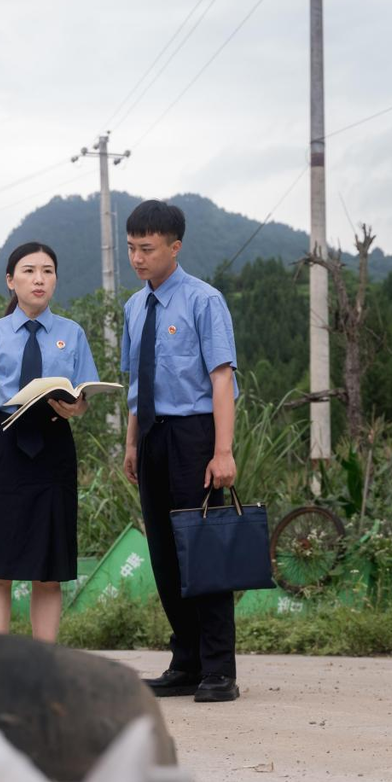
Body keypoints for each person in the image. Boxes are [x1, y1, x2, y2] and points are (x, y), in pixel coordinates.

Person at [120, 200, 241, 702]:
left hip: (195, 436)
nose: (137, 258)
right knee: (165, 555)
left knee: (203, 550)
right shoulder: (133, 308)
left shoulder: (204, 300)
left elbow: (222, 379)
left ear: (175, 247)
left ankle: (219, 670)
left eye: (146, 248)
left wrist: (223, 451)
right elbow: (136, 382)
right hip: (151, 437)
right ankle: (186, 662)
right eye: (131, 248)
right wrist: (132, 442)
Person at [0, 241, 99, 642]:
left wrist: (76, 407)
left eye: (47, 271)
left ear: (55, 279)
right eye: (29, 271)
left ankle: (43, 662)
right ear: (11, 281)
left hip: (54, 446)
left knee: (49, 567)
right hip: (3, 448)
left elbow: (83, 398)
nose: (39, 279)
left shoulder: (72, 333)